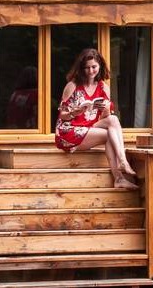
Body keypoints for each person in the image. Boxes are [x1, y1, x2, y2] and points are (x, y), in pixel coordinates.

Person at [54, 48, 139, 188]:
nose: (91, 71)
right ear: (81, 68)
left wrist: (105, 110)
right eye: (87, 68)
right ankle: (119, 175)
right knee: (109, 135)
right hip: (68, 131)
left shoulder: (103, 88)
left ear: (100, 66)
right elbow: (62, 114)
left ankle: (122, 163)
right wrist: (74, 113)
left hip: (88, 128)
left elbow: (105, 118)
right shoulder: (72, 85)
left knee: (113, 119)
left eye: (94, 67)